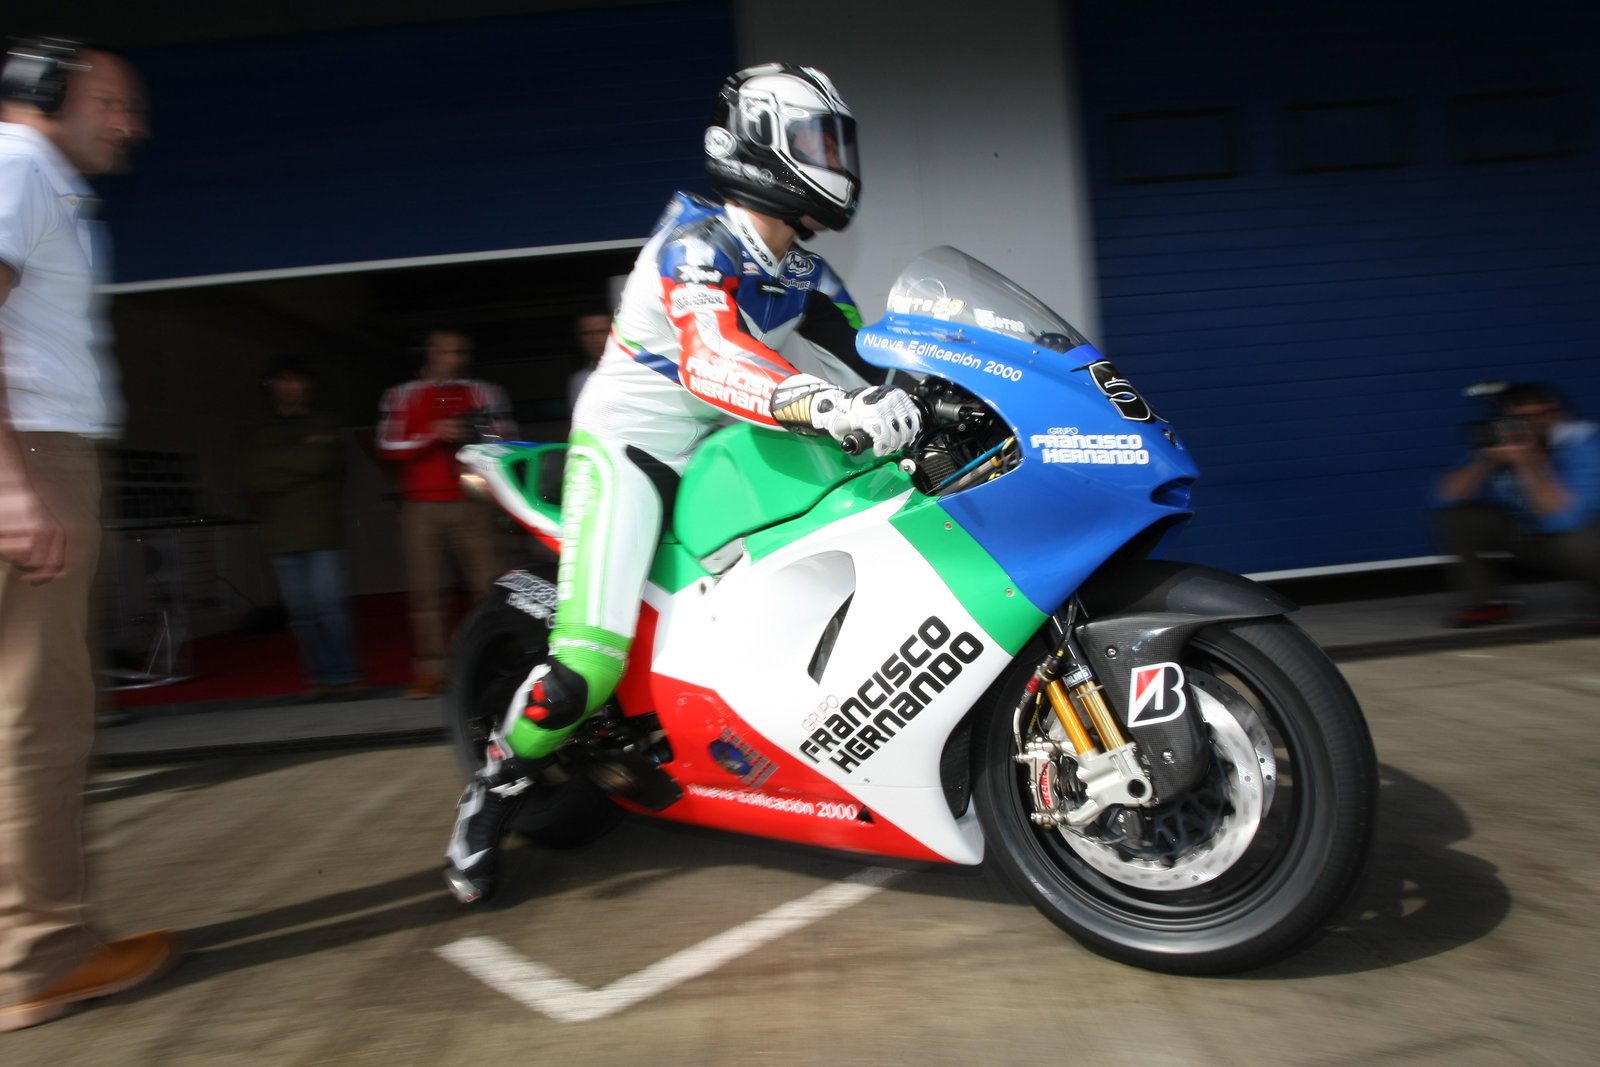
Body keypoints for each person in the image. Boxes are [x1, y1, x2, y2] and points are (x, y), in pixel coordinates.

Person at [443, 63, 923, 903]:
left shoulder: (805, 275)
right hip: (631, 450)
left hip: (728, 446)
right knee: (585, 664)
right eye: (816, 142)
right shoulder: (695, 247)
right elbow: (714, 355)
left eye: (835, 143)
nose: (835, 160)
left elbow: (878, 355)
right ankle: (492, 790)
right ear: (757, 147)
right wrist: (821, 403)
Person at [0, 38, 177, 1032]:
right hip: (30, 449)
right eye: (113, 102)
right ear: (49, 93)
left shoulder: (28, 179)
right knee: (39, 716)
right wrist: (14, 484)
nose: (130, 124)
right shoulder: (20, 169)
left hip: (28, 447)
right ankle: (42, 956)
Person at [378, 329, 516, 698]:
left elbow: (506, 438)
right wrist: (433, 432)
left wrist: (478, 433)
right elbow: (389, 445)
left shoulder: (485, 391)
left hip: (473, 501)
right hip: (421, 506)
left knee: (489, 588)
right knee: (426, 593)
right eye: (446, 352)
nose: (455, 358)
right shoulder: (402, 394)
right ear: (429, 353)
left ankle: (497, 663)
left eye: (460, 352)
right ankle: (432, 671)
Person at [1432, 381, 1600, 626]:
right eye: (1522, 418)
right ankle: (1488, 602)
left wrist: (1529, 463)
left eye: (1542, 415)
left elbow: (1566, 518)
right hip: (1536, 535)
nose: (1535, 423)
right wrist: (1485, 460)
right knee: (1457, 516)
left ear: (1557, 413)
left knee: (1578, 541)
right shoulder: (1504, 442)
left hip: (1584, 536)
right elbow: (1443, 497)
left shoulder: (1584, 444)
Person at [251, 356, 363, 702]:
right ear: (273, 386)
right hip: (282, 536)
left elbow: (322, 462)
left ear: (308, 385)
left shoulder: (325, 423)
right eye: (284, 380)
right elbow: (254, 478)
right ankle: (320, 677)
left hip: (321, 532)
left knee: (329, 608)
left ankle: (345, 676)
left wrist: (280, 465)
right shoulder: (260, 430)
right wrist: (302, 461)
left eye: (297, 380)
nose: (291, 387)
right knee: (301, 615)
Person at [566, 308, 612, 414]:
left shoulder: (641, 373)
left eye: (601, 332)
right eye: (586, 334)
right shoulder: (577, 380)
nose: (595, 339)